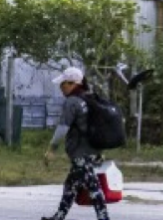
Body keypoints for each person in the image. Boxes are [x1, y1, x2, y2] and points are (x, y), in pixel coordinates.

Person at [42, 67, 110, 220]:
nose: (61, 87)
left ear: (72, 83)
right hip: (92, 150)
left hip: (81, 153)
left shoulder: (72, 102)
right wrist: (99, 150)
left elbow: (62, 128)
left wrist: (52, 149)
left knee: (93, 186)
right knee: (71, 185)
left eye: (63, 84)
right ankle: (59, 216)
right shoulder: (89, 99)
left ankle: (104, 217)